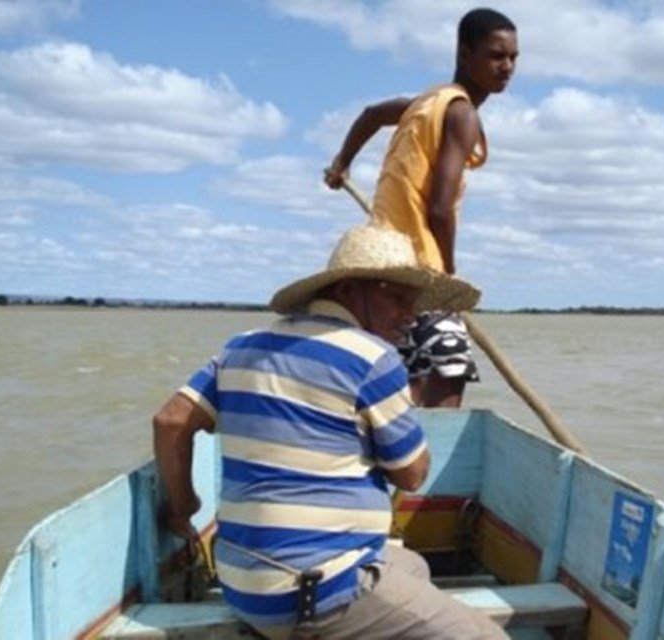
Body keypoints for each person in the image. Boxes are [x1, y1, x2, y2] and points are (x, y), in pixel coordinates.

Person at [153, 223, 505, 639]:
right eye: (396, 298)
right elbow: (411, 475)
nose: (409, 316)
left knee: (412, 567)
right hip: (316, 592)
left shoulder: (241, 345)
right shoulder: (374, 358)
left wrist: (183, 506)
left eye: (413, 304)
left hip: (241, 582)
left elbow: (171, 420)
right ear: (349, 290)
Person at [324, 7, 518, 409]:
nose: (507, 67)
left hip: (378, 269)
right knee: (450, 369)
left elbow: (372, 115)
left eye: (513, 57)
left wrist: (342, 163)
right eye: (497, 56)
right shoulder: (460, 113)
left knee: (405, 376)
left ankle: (398, 460)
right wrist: (448, 278)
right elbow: (440, 209)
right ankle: (426, 467)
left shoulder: (425, 103)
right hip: (417, 269)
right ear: (465, 55)